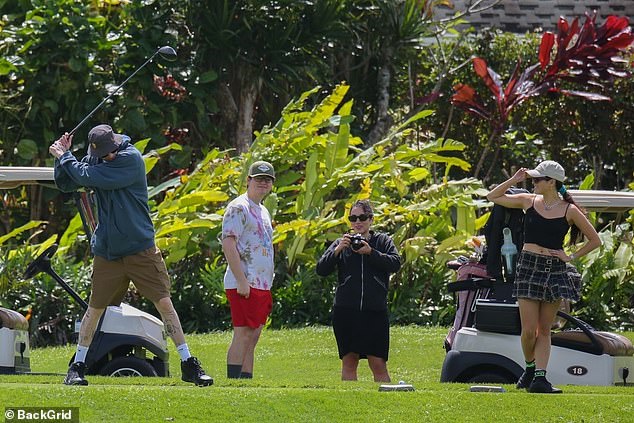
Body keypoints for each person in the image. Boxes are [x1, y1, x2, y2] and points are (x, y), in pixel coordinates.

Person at [49, 124, 213, 387]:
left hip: (140, 249)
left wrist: (65, 157)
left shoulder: (130, 159)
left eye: (110, 152)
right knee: (94, 309)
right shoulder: (96, 160)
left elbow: (89, 177)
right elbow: (68, 182)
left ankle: (189, 364)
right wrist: (62, 155)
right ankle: (77, 366)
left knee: (164, 304)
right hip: (108, 252)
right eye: (103, 155)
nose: (109, 156)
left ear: (115, 143)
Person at [486, 160, 600, 393]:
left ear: (552, 182)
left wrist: (571, 256)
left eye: (538, 179)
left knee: (544, 330)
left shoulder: (570, 210)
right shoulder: (529, 201)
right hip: (528, 266)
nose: (534, 182)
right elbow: (492, 196)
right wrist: (514, 180)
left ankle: (540, 378)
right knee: (528, 331)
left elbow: (595, 240)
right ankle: (530, 368)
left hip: (554, 270)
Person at [316, 200, 401, 382]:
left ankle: (386, 403)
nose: (358, 222)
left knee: (378, 362)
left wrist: (371, 253)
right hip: (346, 311)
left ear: (371, 219)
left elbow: (395, 263)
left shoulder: (382, 241)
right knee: (349, 360)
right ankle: (349, 402)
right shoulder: (342, 242)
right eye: (353, 218)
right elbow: (321, 269)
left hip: (374, 312)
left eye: (362, 217)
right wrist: (338, 249)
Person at [221, 160, 275, 379]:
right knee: (243, 334)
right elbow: (228, 242)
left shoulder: (263, 210)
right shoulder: (238, 207)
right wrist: (241, 279)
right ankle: (232, 382)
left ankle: (245, 382)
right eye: (259, 179)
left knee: (253, 336)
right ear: (248, 181)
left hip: (261, 282)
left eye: (267, 180)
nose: (263, 183)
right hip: (243, 281)